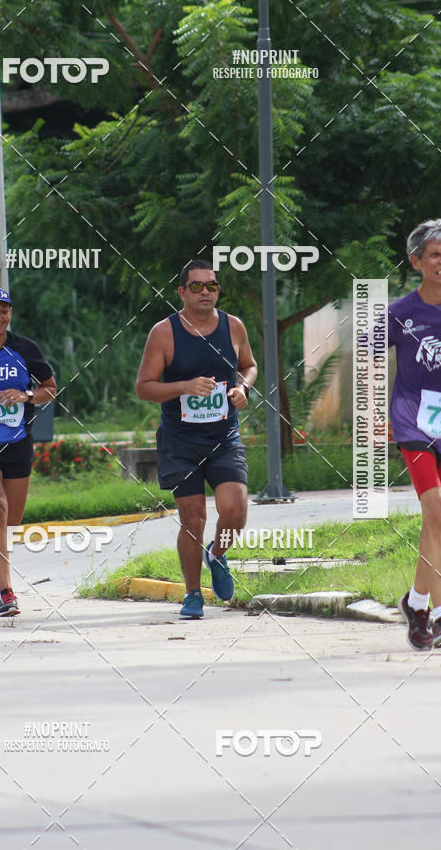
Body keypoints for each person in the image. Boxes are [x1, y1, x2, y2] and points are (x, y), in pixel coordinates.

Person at [135, 260, 257, 619]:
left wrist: (242, 387)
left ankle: (217, 554)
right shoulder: (164, 333)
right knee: (193, 518)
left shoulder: (233, 326)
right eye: (198, 286)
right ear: (182, 292)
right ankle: (192, 594)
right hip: (180, 440)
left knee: (235, 509)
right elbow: (144, 387)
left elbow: (249, 365)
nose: (206, 292)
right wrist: (185, 386)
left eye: (213, 286)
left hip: (224, 436)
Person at [389, 218, 441, 649]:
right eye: (434, 254)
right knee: (434, 513)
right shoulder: (400, 313)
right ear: (417, 261)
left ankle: (415, 602)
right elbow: (367, 358)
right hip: (412, 419)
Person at [0, 288, 56, 616]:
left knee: (11, 524)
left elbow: (50, 389)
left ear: (10, 314)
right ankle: (6, 593)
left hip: (17, 441)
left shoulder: (25, 349)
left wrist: (26, 396)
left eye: (4, 310)